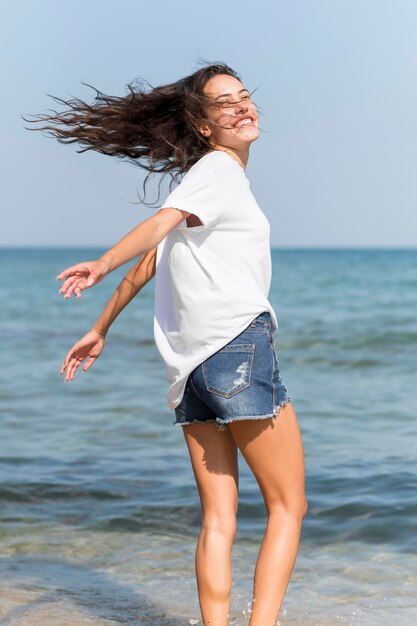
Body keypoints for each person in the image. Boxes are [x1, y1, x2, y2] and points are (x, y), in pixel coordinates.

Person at [28, 63, 308, 626]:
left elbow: (153, 258)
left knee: (219, 516)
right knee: (288, 506)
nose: (242, 107)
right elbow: (160, 225)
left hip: (191, 371)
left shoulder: (205, 180)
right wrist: (103, 263)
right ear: (204, 126)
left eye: (245, 96)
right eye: (224, 103)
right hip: (237, 347)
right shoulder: (218, 172)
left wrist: (101, 327)